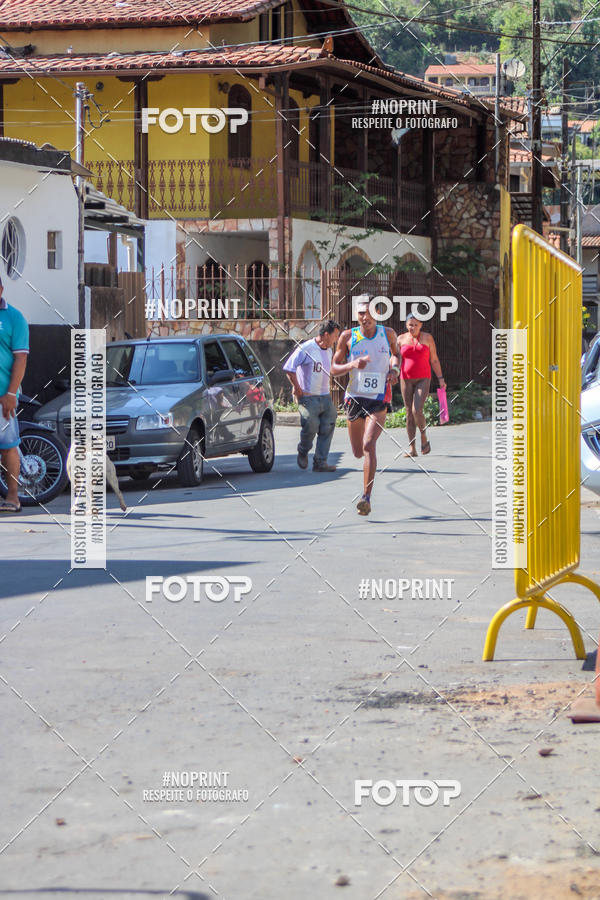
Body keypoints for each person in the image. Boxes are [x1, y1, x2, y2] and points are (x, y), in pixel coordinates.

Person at [331, 300, 399, 515]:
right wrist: (352, 364)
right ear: (356, 315)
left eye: (369, 313)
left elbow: (396, 355)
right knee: (358, 451)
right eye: (361, 313)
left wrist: (394, 370)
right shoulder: (347, 337)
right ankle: (365, 483)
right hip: (355, 397)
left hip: (379, 396)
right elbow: (334, 368)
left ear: (377, 313)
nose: (365, 317)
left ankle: (366, 497)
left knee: (369, 445)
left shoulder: (387, 334)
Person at [283, 319, 340, 472]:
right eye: (335, 336)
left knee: (328, 426)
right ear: (326, 334)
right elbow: (289, 368)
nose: (336, 340)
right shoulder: (306, 348)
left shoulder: (328, 350)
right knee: (311, 426)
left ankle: (320, 462)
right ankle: (303, 450)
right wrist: (297, 389)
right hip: (308, 397)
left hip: (325, 396)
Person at [397, 314, 445, 457]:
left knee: (416, 410)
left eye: (416, 325)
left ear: (421, 325)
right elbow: (396, 359)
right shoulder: (400, 339)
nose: (413, 327)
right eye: (410, 324)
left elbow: (434, 359)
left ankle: (423, 437)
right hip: (405, 378)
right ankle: (412, 448)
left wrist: (441, 379)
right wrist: (391, 373)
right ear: (406, 325)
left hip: (423, 378)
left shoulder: (427, 338)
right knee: (408, 413)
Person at [0, 276, 29, 513]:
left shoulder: (14, 317)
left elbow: (21, 357)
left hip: (3, 396)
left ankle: (12, 497)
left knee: (8, 446)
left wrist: (11, 393)